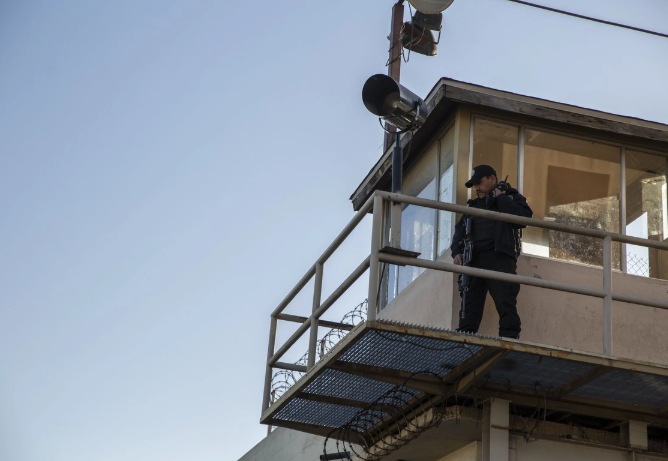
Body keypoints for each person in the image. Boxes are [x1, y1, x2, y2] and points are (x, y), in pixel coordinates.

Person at [450, 165, 533, 339]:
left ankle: (509, 340)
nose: (476, 188)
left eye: (479, 183)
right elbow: (460, 231)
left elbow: (524, 218)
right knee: (469, 306)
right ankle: (464, 342)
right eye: (474, 185)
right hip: (473, 260)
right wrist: (456, 251)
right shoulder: (473, 206)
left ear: (492, 179)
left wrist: (500, 197)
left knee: (505, 301)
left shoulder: (509, 197)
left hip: (499, 258)